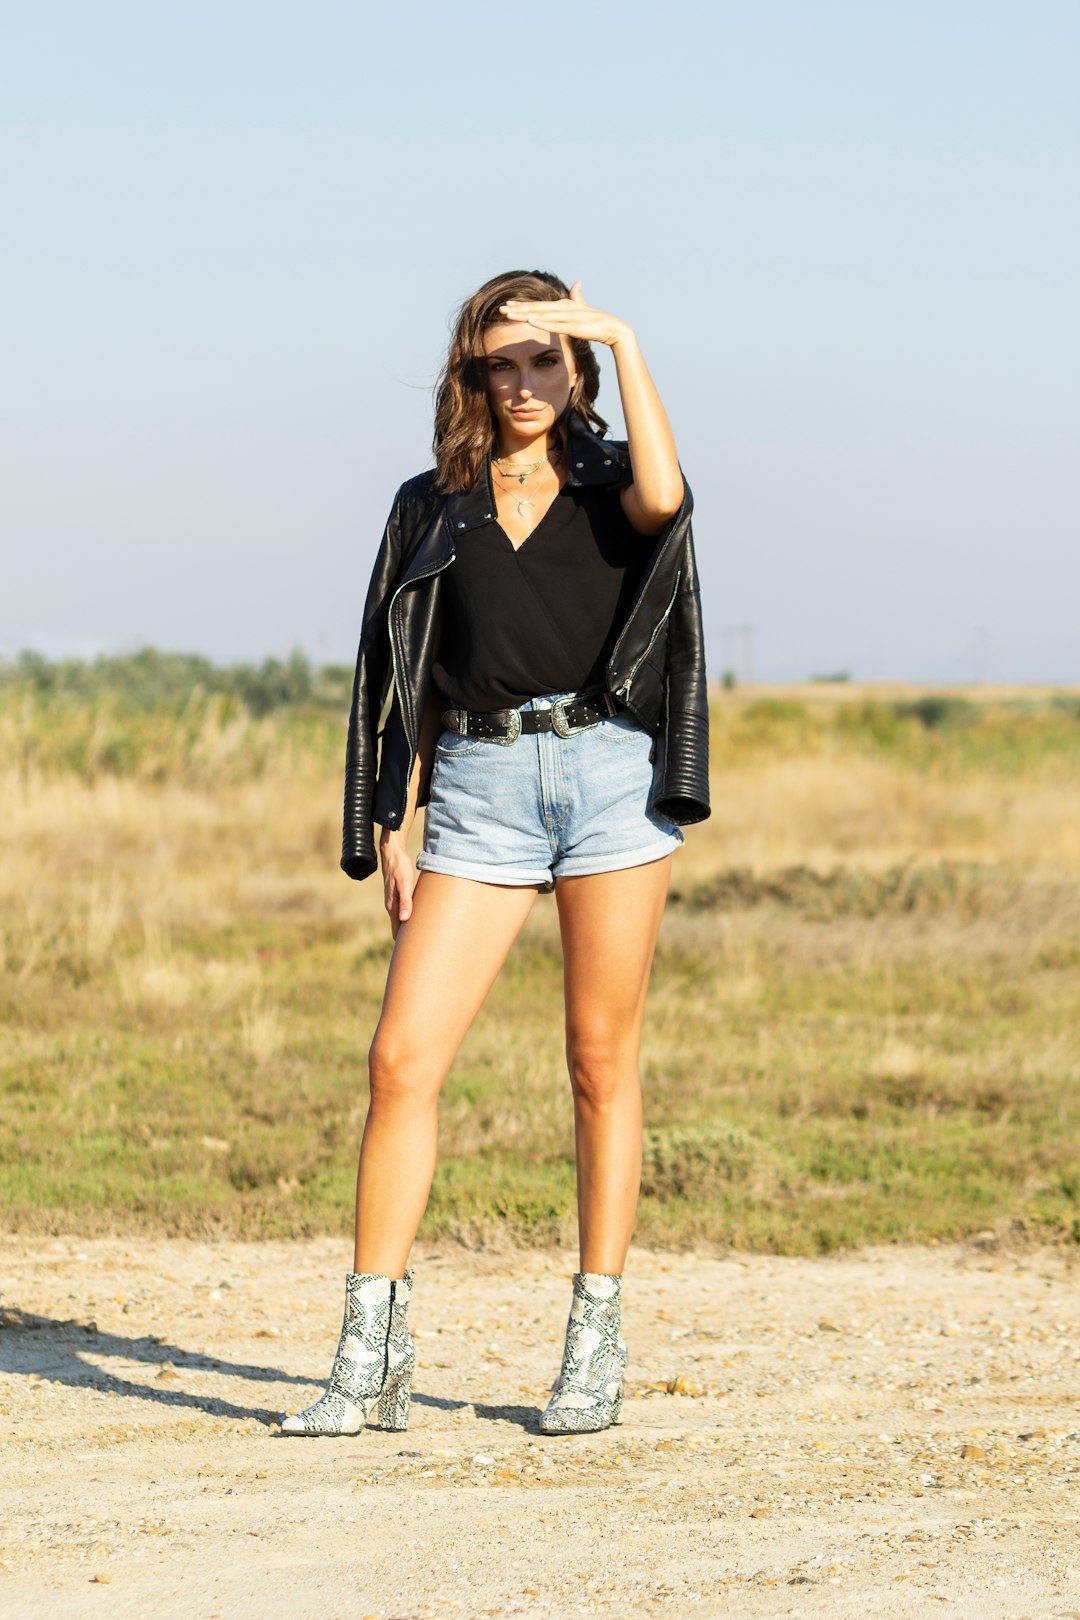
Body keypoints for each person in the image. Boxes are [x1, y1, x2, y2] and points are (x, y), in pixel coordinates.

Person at [282, 269, 709, 1439]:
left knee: (596, 1061)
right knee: (400, 1059)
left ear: (576, 371)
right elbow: (407, 670)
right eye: (500, 363)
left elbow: (669, 502)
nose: (523, 384)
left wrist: (623, 337)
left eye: (545, 359)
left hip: (609, 782)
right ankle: (370, 1354)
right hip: (476, 793)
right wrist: (397, 817)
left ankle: (594, 1340)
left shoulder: (617, 478)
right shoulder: (431, 504)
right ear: (472, 374)